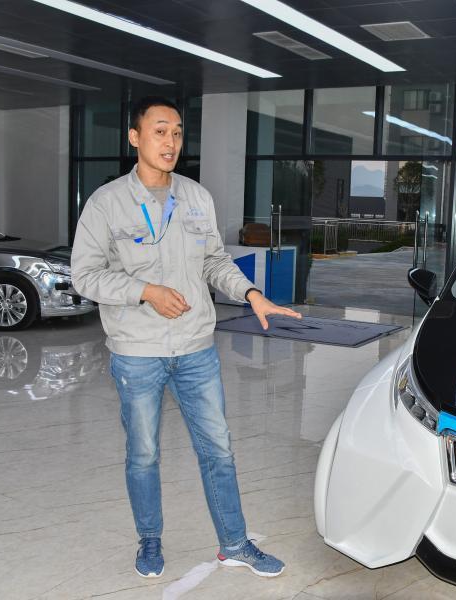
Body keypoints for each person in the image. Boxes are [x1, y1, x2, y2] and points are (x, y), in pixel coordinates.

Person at [71, 96, 301, 579]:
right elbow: (84, 277)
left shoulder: (196, 197)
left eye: (177, 132)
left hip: (196, 348)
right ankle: (149, 539)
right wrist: (145, 291)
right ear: (134, 137)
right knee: (144, 454)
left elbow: (214, 262)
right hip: (138, 352)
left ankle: (235, 544)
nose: (171, 141)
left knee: (218, 449)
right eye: (160, 131)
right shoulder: (106, 203)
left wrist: (251, 293)